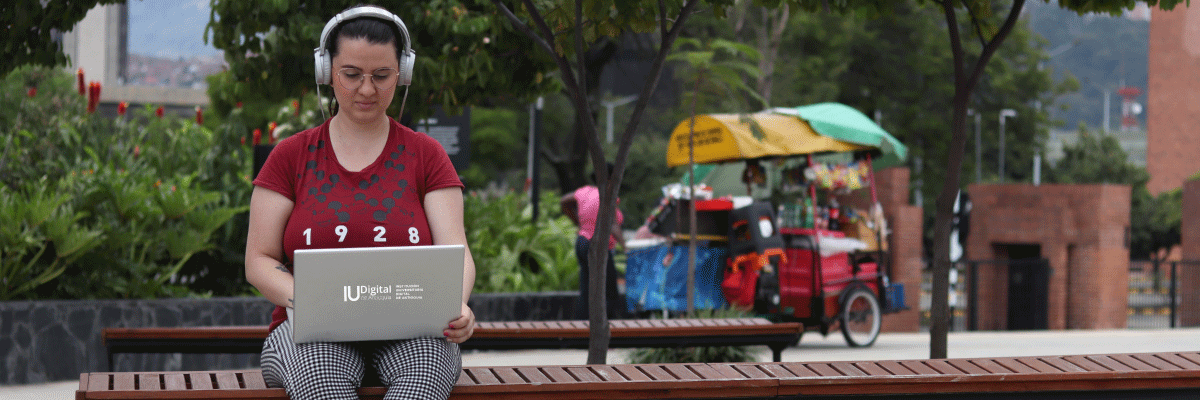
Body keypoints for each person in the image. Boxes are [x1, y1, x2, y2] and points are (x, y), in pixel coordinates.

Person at [244, 6, 475, 400]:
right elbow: (259, 260)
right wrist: (314, 300)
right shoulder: (290, 156)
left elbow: (456, 251)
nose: (367, 90)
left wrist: (457, 306)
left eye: (381, 76)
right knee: (319, 374)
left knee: (427, 369)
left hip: (410, 330)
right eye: (351, 75)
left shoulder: (427, 155)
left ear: (401, 74)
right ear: (325, 72)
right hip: (311, 331)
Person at [560, 163, 626, 319]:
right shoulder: (607, 196)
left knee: (587, 290)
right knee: (609, 292)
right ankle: (607, 332)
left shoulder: (585, 192)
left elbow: (564, 200)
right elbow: (613, 225)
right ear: (611, 178)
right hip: (598, 247)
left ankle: (582, 331)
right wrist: (627, 247)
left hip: (582, 242)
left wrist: (577, 221)